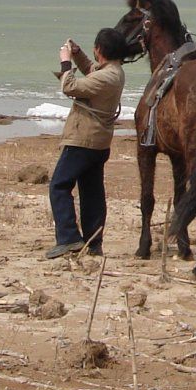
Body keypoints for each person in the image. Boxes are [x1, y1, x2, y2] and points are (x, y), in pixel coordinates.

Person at [45, 28, 127, 259]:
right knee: (92, 192)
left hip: (83, 139)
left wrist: (65, 61)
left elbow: (70, 87)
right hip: (98, 142)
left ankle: (69, 238)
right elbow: (92, 71)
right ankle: (93, 242)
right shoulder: (113, 72)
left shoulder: (107, 77)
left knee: (59, 186)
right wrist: (79, 55)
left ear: (99, 49)